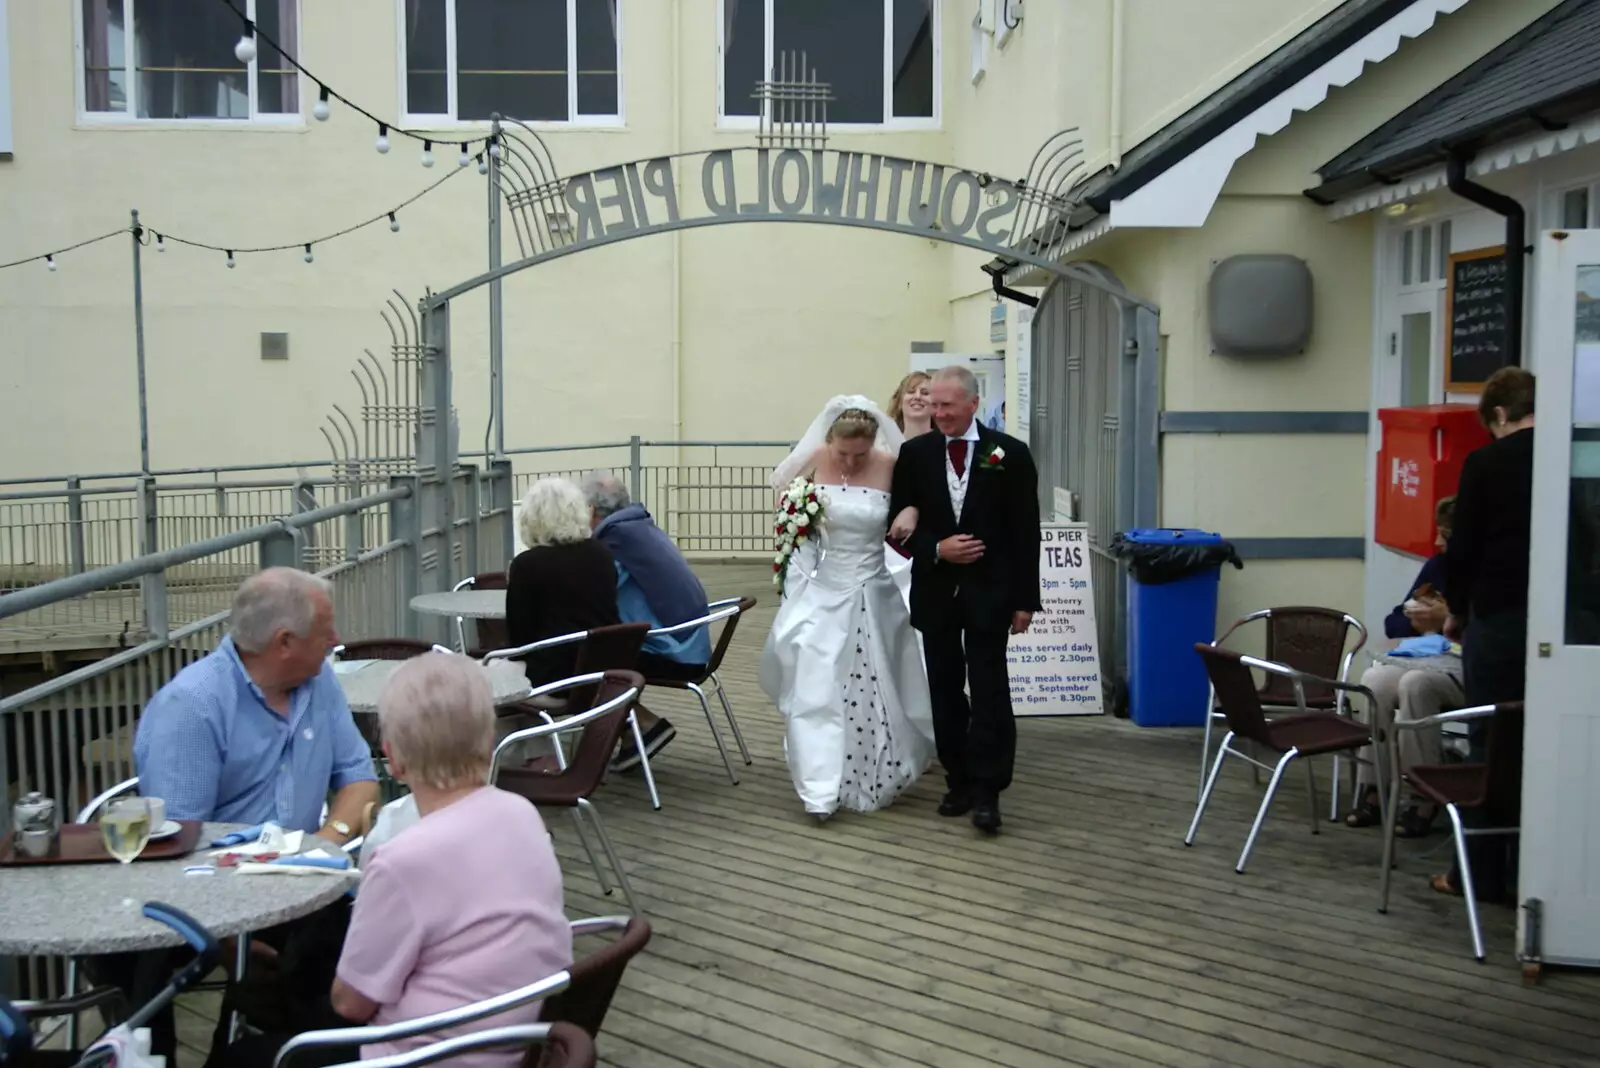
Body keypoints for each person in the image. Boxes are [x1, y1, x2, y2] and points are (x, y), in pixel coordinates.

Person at [217, 653, 573, 1068]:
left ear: (394, 759)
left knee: (241, 1055)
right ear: (489, 741)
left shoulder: (403, 859)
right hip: (514, 1038)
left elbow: (350, 1004)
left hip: (422, 1056)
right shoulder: (523, 815)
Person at [127, 567, 379, 1064]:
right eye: (325, 631)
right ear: (285, 642)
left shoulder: (317, 680)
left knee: (369, 942)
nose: (337, 640)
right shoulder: (193, 706)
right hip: (211, 897)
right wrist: (223, 937)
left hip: (303, 887)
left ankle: (274, 1049)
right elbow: (174, 852)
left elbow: (361, 778)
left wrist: (321, 848)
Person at [758, 396, 936, 819]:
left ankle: (874, 768)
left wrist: (910, 509)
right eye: (843, 453)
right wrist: (798, 571)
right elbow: (789, 518)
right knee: (815, 685)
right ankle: (819, 787)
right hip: (821, 587)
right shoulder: (813, 459)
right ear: (829, 442)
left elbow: (921, 504)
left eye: (860, 454)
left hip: (872, 586)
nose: (851, 463)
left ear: (873, 444)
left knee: (878, 685)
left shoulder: (893, 465)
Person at [888, 366, 1041, 835]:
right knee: (945, 690)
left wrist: (1025, 600)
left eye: (947, 406)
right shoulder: (914, 454)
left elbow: (1025, 531)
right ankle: (957, 779)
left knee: (991, 689)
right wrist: (936, 548)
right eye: (933, 404)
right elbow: (895, 523)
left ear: (973, 404)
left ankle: (989, 790)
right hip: (936, 591)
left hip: (991, 592)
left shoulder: (1008, 454)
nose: (938, 413)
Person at [1438, 366, 1535, 900]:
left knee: (1489, 746)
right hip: (1569, 626)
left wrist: (1456, 611)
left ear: (1499, 414)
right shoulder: (1573, 456)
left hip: (1498, 622)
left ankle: (1477, 875)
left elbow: (1464, 547)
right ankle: (1536, 875)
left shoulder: (1486, 462)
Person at [1345, 496, 1463, 835]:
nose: (1438, 543)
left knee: (1416, 685)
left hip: (1470, 665)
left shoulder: (1490, 572)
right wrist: (1417, 622)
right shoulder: (1439, 566)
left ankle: (1423, 793)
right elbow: (1393, 622)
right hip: (1433, 658)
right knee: (1374, 680)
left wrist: (1448, 617)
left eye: (1446, 535)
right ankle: (1375, 787)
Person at [582, 470, 710, 767]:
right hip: (693, 641)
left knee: (582, 661)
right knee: (598, 650)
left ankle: (641, 725)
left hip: (675, 651)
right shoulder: (639, 527)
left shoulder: (613, 542)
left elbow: (592, 594)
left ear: (590, 511)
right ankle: (629, 731)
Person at [505, 478, 620, 686]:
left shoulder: (526, 565)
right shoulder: (602, 554)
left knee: (485, 672)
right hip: (604, 674)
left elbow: (519, 642)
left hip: (554, 679)